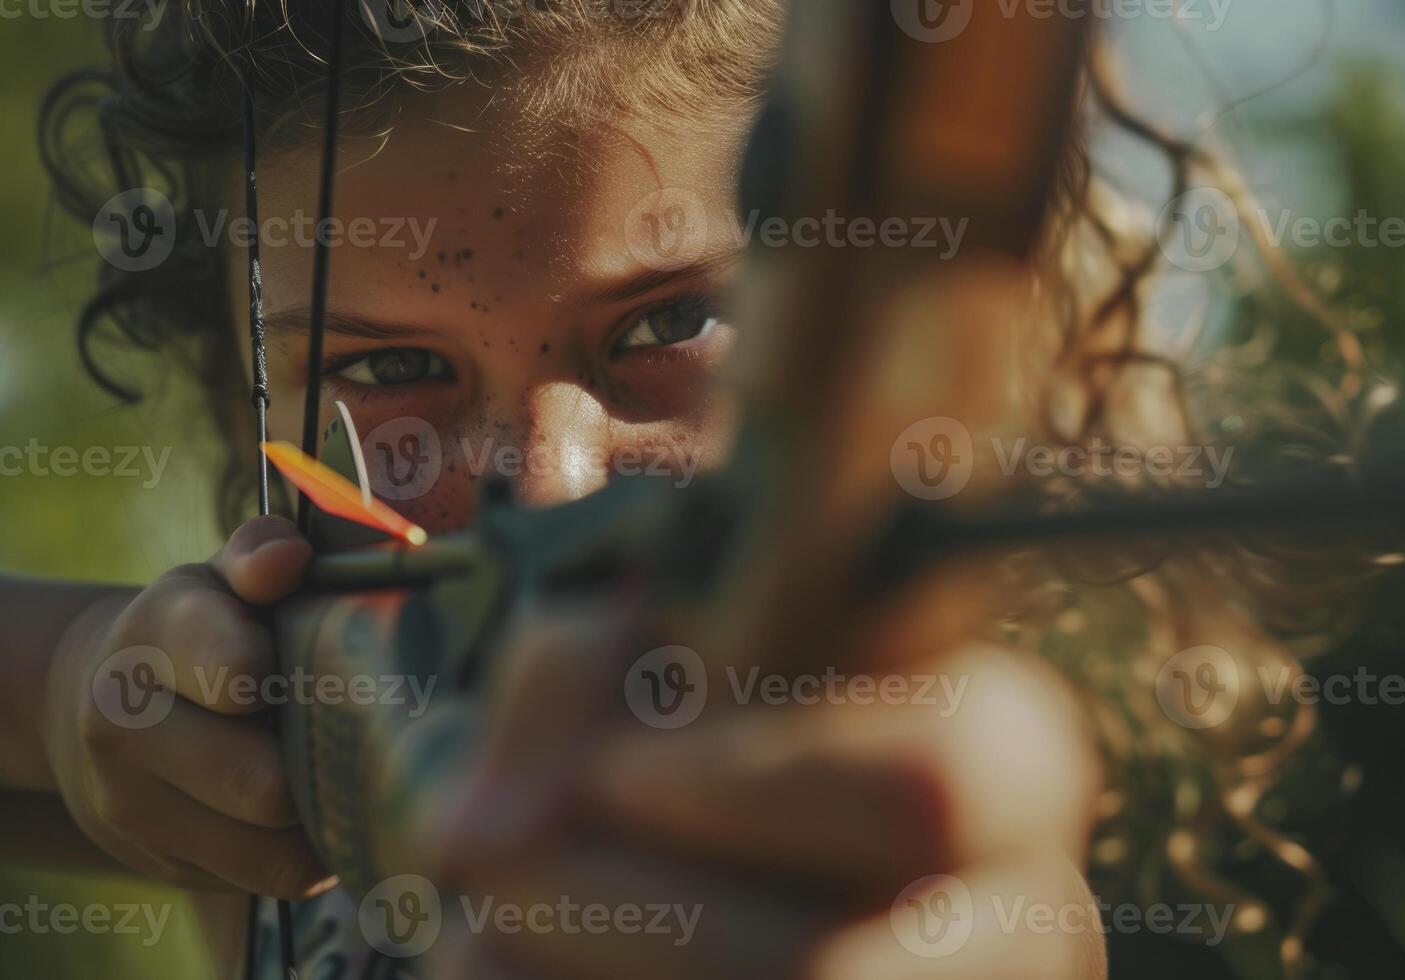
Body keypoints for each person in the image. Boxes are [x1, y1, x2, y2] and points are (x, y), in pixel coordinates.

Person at [11, 1, 1333, 978]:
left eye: (668, 329)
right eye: (391, 366)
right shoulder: (265, 760)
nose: (549, 473)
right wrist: (92, 686)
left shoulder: (895, 858)